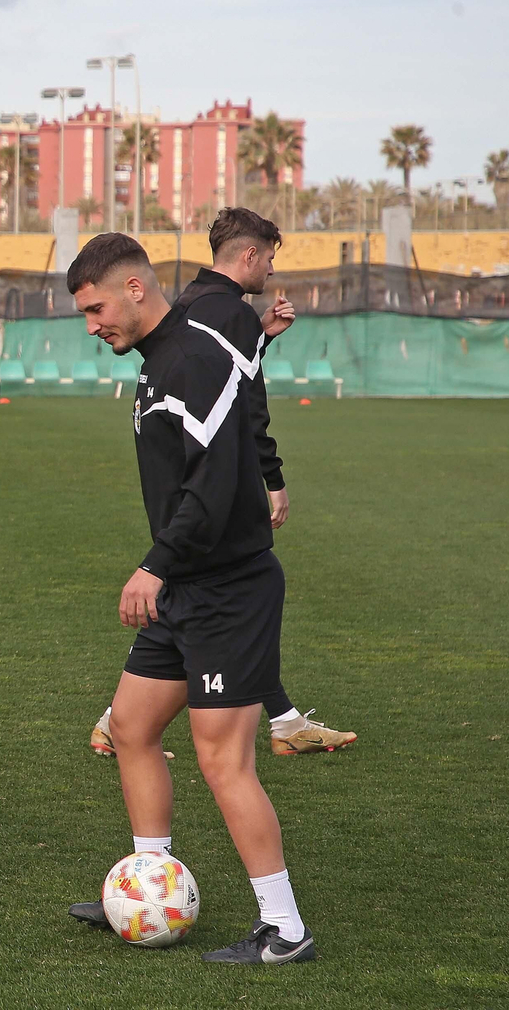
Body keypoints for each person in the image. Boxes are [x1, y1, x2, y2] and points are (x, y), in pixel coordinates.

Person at [64, 233, 316, 965]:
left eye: (96, 308)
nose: (92, 325)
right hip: (188, 587)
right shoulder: (160, 361)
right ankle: (150, 881)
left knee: (223, 761)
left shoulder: (192, 360)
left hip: (228, 590)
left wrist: (154, 565)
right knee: (134, 728)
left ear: (137, 289)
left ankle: (285, 928)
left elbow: (212, 487)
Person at [87, 208, 356, 759]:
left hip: (186, 523)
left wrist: (261, 338)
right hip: (207, 523)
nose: (271, 273)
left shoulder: (192, 302)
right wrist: (271, 476)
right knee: (241, 592)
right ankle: (126, 719)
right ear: (250, 255)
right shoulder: (227, 314)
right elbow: (241, 406)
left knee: (225, 609)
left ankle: (274, 720)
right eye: (271, 259)